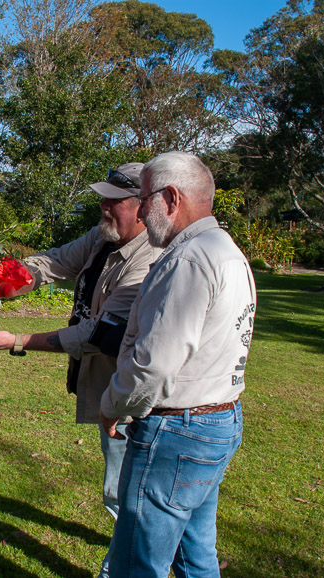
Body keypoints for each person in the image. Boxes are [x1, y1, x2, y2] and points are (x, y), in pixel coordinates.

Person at [0, 163, 162, 575]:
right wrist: (2, 281)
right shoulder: (104, 236)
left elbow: (98, 334)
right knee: (122, 482)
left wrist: (17, 341)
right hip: (109, 385)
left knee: (129, 492)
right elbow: (54, 262)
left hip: (136, 394)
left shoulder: (151, 259)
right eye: (103, 198)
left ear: (144, 206)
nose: (104, 206)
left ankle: (133, 557)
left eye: (115, 200)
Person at [100, 152, 257, 577]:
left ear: (170, 198)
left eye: (145, 199)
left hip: (177, 433)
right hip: (218, 422)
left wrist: (113, 404)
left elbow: (153, 364)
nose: (140, 210)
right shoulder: (226, 249)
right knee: (196, 558)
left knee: (138, 564)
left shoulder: (187, 259)